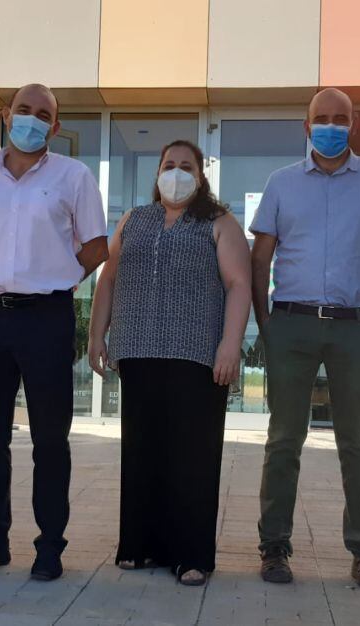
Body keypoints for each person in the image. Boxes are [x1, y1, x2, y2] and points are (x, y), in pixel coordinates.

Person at [0, 83, 108, 582]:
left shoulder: (74, 176)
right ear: (6, 114)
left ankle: (49, 545)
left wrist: (56, 277)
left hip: (46, 318)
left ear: (55, 127)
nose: (31, 120)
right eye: (23, 110)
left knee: (50, 439)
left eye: (42, 114)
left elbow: (96, 247)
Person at [250, 88, 360, 591]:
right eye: (320, 118)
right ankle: (274, 547)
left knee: (357, 443)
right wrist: (266, 322)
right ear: (306, 127)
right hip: (292, 324)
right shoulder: (281, 183)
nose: (330, 126)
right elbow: (261, 257)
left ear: (354, 124)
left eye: (340, 119)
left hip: (358, 327)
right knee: (284, 439)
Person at [88, 140, 251, 586]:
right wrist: (96, 334)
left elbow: (239, 285)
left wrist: (230, 344)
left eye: (186, 167)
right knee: (143, 452)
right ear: (157, 172)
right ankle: (140, 545)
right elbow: (109, 279)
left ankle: (191, 555)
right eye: (168, 165)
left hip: (197, 357)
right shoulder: (133, 220)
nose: (175, 173)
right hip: (137, 351)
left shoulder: (219, 222)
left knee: (192, 457)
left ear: (200, 176)